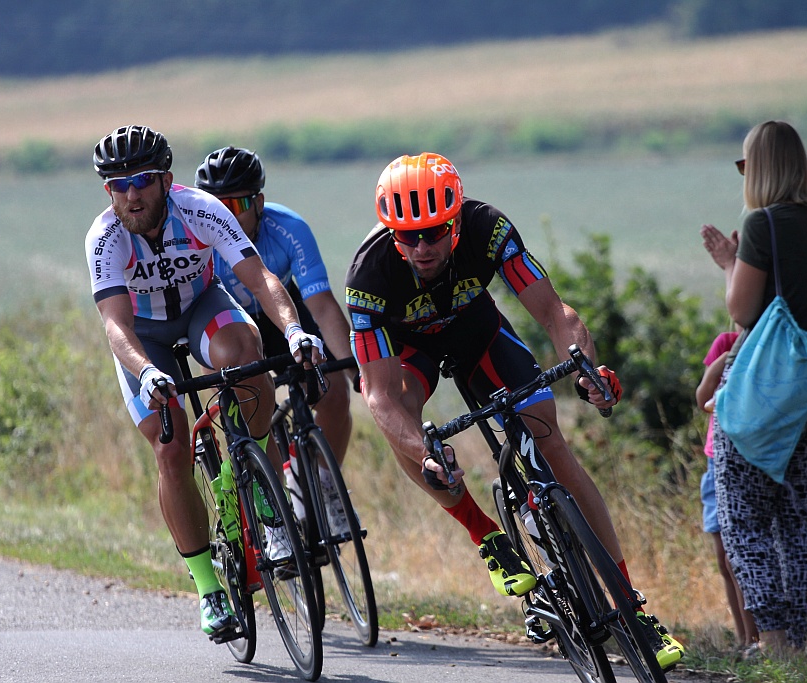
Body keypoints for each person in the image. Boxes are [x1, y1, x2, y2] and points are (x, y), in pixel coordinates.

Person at [345, 152, 684, 670]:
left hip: (480, 335)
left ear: (455, 220)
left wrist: (589, 369)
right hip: (409, 354)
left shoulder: (488, 227)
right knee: (407, 429)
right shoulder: (370, 274)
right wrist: (423, 449)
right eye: (407, 235)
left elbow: (556, 313)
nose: (420, 247)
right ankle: (487, 535)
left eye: (433, 232)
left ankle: (632, 609)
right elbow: (381, 396)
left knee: (554, 450)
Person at [85, 125, 324, 639]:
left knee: (244, 355)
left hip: (201, 308)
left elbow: (260, 279)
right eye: (117, 184)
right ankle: (208, 589)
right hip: (143, 338)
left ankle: (262, 487)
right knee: (171, 446)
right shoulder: (104, 238)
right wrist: (147, 373)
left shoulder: (200, 209)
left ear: (166, 180)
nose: (131, 194)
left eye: (142, 180)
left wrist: (296, 330)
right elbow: (115, 326)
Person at [700, 120, 807, 656]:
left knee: (742, 516)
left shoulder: (761, 223)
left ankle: (775, 639)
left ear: (759, 169)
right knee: (804, 520)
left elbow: (742, 311)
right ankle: (803, 645)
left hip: (762, 394)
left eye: (745, 165)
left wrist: (728, 265)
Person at [195, 146, 357, 530]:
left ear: (259, 202)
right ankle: (273, 517)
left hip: (285, 314)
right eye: (215, 205)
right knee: (252, 405)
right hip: (230, 325)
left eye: (235, 204)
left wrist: (354, 368)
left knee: (334, 391)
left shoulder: (289, 229)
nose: (225, 216)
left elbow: (321, 305)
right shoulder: (199, 244)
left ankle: (322, 483)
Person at [695, 329, 758, 652]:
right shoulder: (726, 341)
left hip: (750, 459)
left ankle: (757, 639)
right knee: (724, 558)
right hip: (716, 458)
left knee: (741, 556)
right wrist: (725, 359)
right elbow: (702, 396)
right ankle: (744, 638)